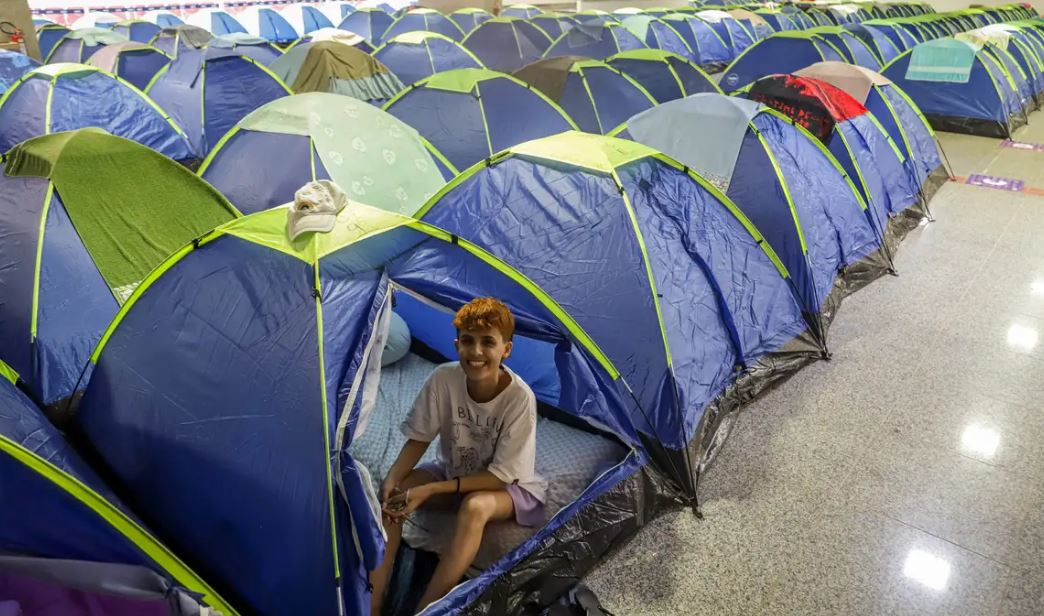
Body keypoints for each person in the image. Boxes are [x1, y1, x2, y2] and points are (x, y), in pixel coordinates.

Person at [369, 297, 546, 615]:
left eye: (487, 343)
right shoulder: (444, 378)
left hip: (508, 487)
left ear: (506, 349)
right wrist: (394, 478)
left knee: (474, 506)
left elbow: (502, 476)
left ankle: (427, 608)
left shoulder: (519, 399)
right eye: (468, 341)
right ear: (456, 344)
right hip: (453, 471)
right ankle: (373, 602)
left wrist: (432, 489)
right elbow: (419, 437)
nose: (476, 352)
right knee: (395, 496)